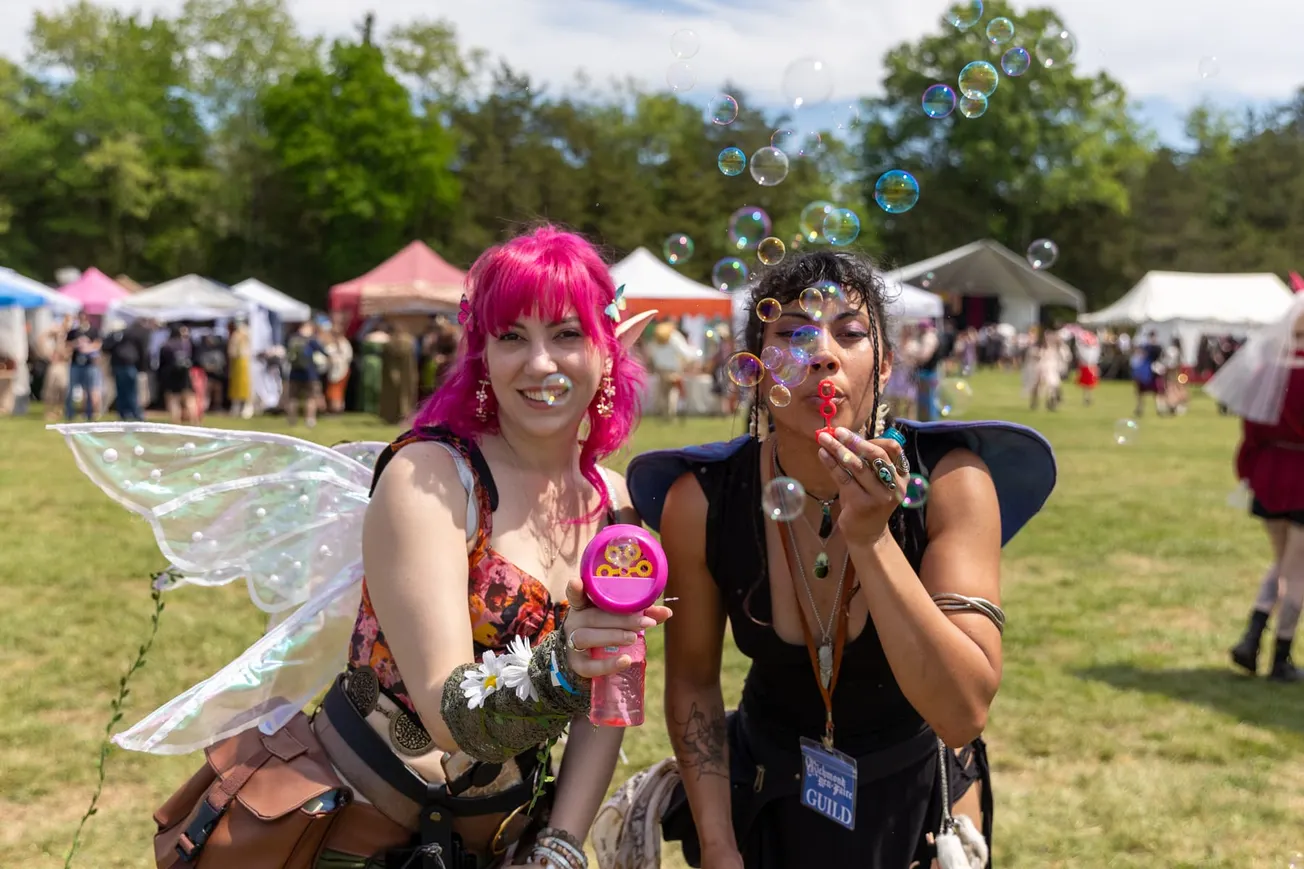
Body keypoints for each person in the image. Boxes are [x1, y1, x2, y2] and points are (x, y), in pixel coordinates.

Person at [619, 251, 1056, 869]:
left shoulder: (954, 481)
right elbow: (692, 682)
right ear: (755, 372)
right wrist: (717, 846)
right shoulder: (704, 501)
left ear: (883, 366)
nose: (822, 353)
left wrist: (873, 538)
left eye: (850, 333)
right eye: (793, 334)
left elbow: (962, 714)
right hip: (764, 798)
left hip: (916, 803)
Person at [352, 226, 670, 868]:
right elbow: (448, 713)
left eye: (567, 335)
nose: (541, 364)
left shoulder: (618, 508)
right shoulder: (432, 476)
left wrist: (558, 847)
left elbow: (614, 703)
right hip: (357, 833)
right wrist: (569, 663)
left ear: (608, 350)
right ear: (483, 354)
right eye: (512, 337)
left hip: (507, 840)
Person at [1210, 292, 1304, 683]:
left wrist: (1249, 469)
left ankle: (1252, 639)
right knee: (1297, 570)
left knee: (1283, 562)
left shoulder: (1267, 368)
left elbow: (1251, 431)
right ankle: (1279, 655)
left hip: (1270, 471)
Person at [285, 319, 326, 427]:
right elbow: (323, 351)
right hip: (310, 373)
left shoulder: (292, 338)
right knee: (311, 397)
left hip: (294, 373)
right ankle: (310, 420)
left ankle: (291, 420)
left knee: (293, 397)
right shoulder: (311, 339)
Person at [158, 324, 198, 424]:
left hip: (171, 374)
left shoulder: (166, 345)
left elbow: (161, 363)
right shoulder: (186, 344)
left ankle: (176, 421)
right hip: (184, 374)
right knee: (189, 399)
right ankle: (194, 421)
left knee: (173, 400)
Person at [65, 311, 101, 421]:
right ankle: (70, 413)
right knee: (71, 389)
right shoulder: (73, 332)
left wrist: (88, 347)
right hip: (76, 363)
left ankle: (89, 413)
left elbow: (98, 344)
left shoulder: (93, 331)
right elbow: (67, 345)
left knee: (90, 389)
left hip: (89, 364)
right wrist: (76, 343)